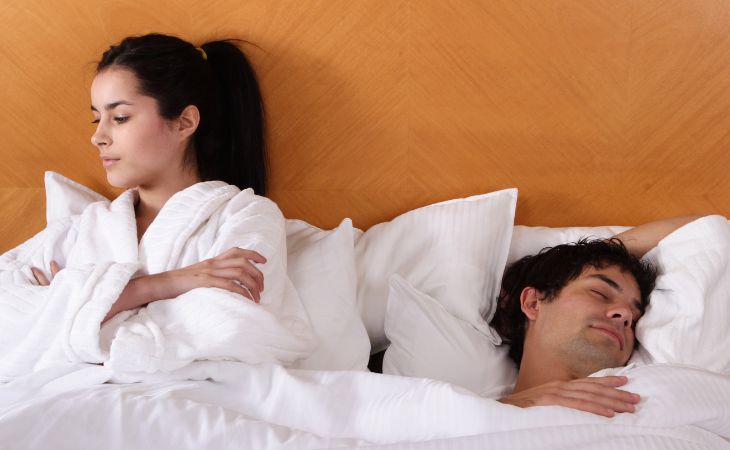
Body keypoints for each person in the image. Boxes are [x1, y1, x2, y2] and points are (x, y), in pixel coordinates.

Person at [0, 33, 315, 381]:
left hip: (192, 408)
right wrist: (159, 286)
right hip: (73, 406)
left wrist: (69, 307)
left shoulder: (246, 216)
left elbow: (229, 328)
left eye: (119, 118)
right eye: (96, 119)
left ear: (184, 122)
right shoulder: (82, 227)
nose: (98, 136)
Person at [490, 216, 701, 417]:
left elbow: (703, 231)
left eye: (635, 319)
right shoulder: (470, 414)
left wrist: (596, 253)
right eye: (600, 293)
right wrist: (515, 406)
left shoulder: (664, 389)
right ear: (533, 303)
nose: (626, 315)